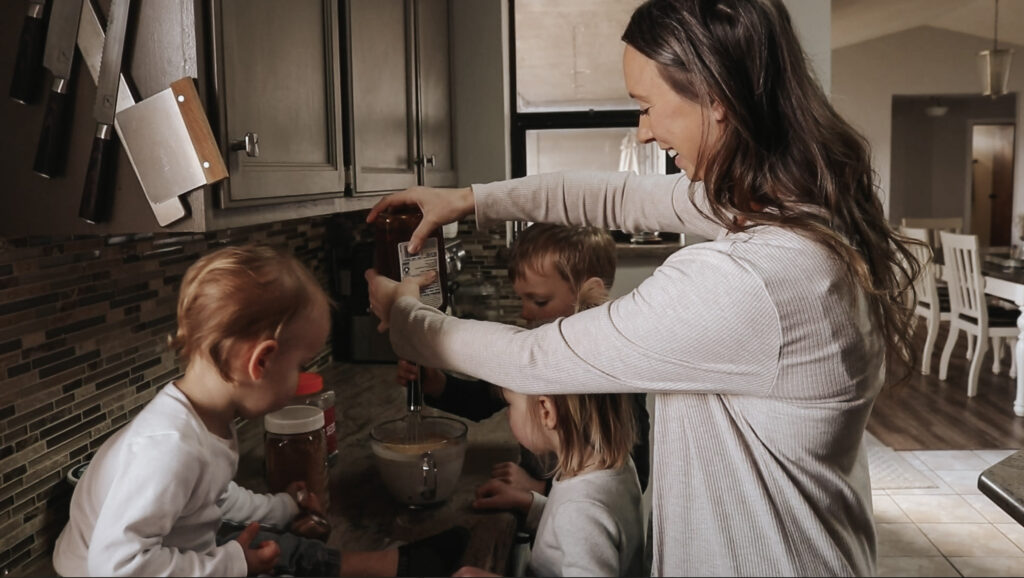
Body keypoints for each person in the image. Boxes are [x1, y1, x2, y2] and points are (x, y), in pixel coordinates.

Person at [363, 0, 920, 575]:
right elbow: (617, 197)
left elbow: (534, 357)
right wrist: (471, 199)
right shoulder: (786, 210)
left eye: (648, 106)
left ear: (716, 96)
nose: (645, 131)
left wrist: (406, 319)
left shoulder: (753, 279)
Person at [52, 244, 468, 577]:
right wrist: (233, 565)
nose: (301, 377)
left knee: (261, 544)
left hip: (162, 556)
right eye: (300, 365)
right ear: (261, 362)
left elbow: (208, 497)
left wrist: (281, 509)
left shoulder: (201, 420)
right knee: (251, 552)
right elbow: (116, 567)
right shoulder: (168, 449)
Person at [396, 223, 650, 494]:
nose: (526, 313)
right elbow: (484, 399)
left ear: (590, 292)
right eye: (522, 300)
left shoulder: (616, 375)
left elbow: (635, 476)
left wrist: (540, 489)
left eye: (539, 301)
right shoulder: (533, 351)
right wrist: (438, 384)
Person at [455, 387, 644, 577]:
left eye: (510, 404)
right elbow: (571, 529)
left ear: (546, 410)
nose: (507, 414)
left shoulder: (580, 511)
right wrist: (529, 504)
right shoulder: (615, 466)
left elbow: (580, 520)